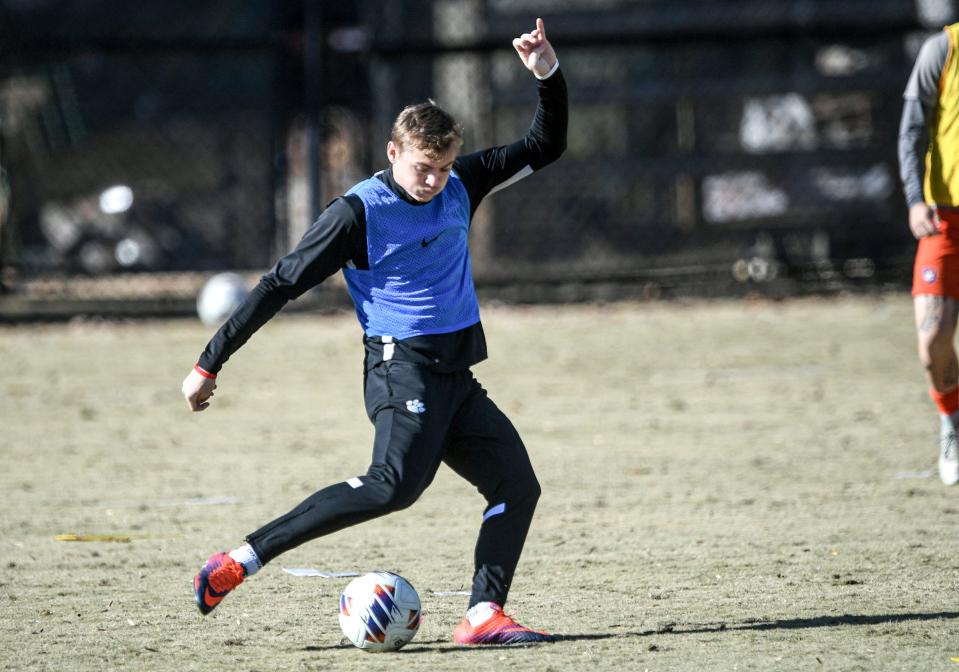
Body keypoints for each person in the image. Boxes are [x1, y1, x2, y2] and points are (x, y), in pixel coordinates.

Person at [181, 18, 567, 645]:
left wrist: (547, 73)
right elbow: (279, 282)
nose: (434, 180)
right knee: (394, 486)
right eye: (423, 167)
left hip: (454, 376)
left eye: (442, 166)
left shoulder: (462, 184)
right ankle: (238, 562)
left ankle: (482, 615)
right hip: (399, 369)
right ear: (393, 153)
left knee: (516, 486)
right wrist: (208, 363)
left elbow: (545, 145)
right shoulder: (358, 213)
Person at [899, 22, 959, 485]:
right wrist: (915, 198)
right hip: (946, 220)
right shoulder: (942, 49)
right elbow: (912, 130)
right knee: (931, 341)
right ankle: (952, 422)